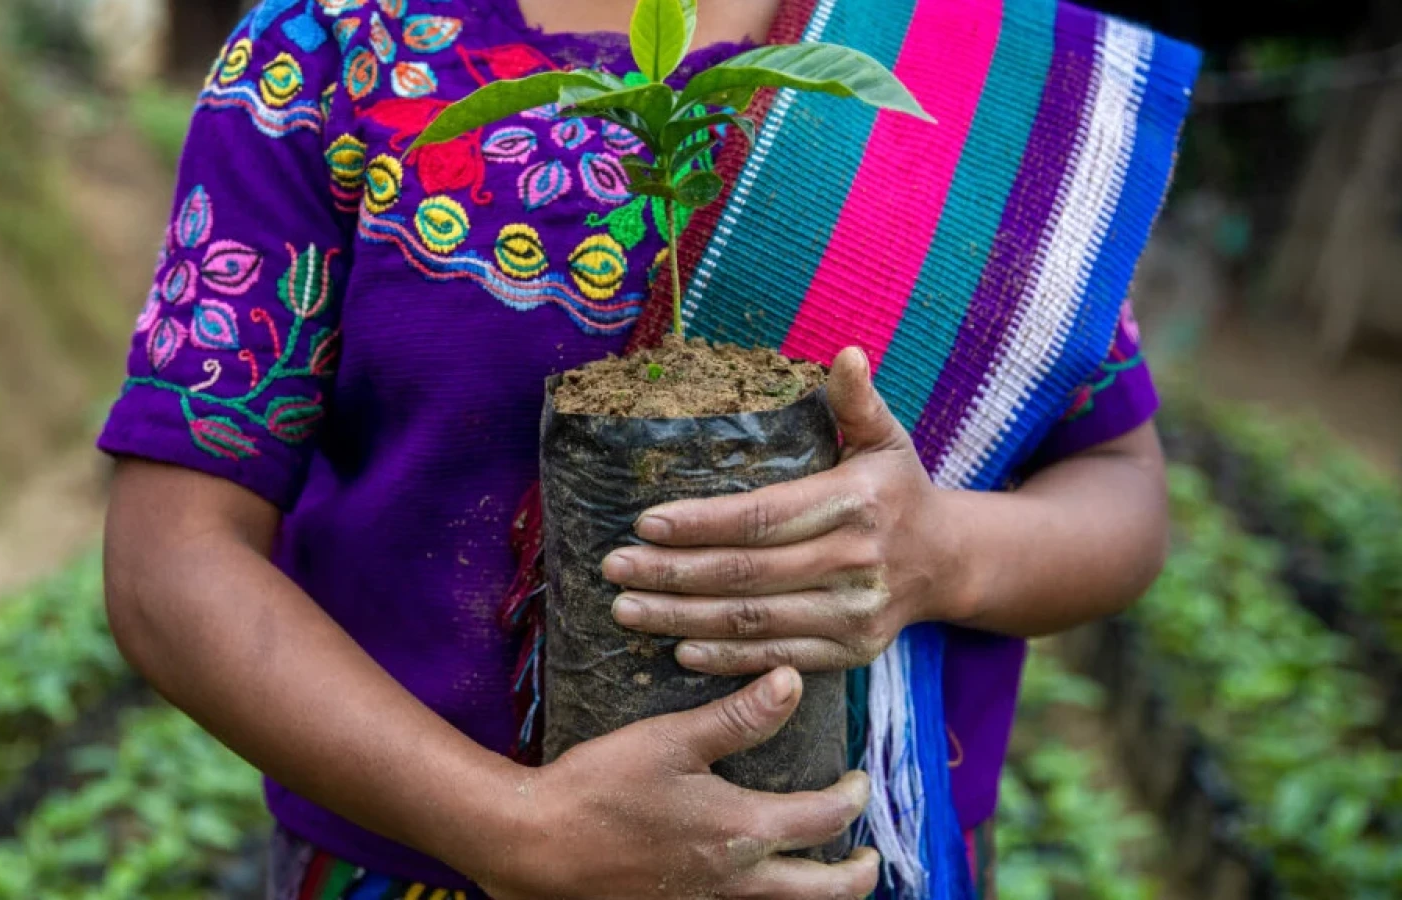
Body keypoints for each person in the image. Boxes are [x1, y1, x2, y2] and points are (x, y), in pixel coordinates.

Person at [98, 0, 1174, 897]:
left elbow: (1120, 486)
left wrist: (940, 551)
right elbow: (171, 558)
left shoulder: (985, 75)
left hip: (857, 863)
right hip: (423, 865)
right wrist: (514, 828)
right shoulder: (335, 48)